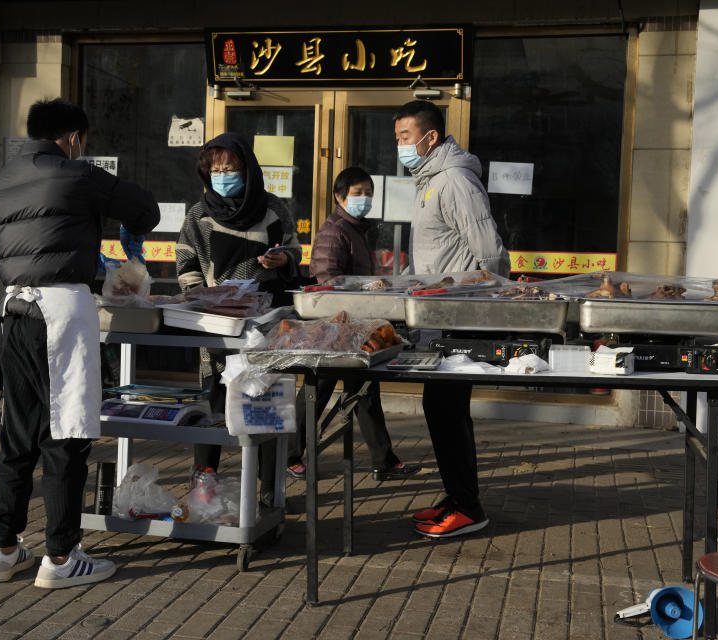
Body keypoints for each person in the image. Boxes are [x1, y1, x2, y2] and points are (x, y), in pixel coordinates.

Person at [0, 98, 160, 587]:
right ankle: (61, 558)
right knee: (67, 434)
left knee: (18, 436)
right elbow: (145, 209)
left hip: (13, 310)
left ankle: (3, 548)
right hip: (60, 311)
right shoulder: (78, 174)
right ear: (75, 138)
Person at [393, 100, 509, 538]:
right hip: (437, 315)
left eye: (405, 138)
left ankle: (467, 506)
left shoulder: (455, 181)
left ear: (430, 138)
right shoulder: (429, 182)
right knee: (441, 408)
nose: (400, 146)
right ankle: (457, 495)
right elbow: (433, 255)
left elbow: (491, 251)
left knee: (445, 408)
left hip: (459, 317)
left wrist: (491, 307)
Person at [175, 132, 302, 504]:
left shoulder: (273, 209)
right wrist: (206, 299)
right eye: (216, 169)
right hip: (217, 325)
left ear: (248, 170)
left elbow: (294, 250)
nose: (223, 175)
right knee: (213, 404)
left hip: (265, 326)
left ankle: (267, 491)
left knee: (266, 403)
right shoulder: (198, 217)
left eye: (230, 168)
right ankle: (204, 486)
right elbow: (186, 265)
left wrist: (285, 259)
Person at [286, 166, 421, 482]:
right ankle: (288, 455)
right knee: (316, 392)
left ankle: (383, 460)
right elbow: (326, 279)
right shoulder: (335, 231)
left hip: (354, 326)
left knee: (364, 390)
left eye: (369, 193)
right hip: (335, 328)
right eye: (358, 193)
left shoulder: (355, 229)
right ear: (339, 196)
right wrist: (362, 292)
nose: (365, 199)